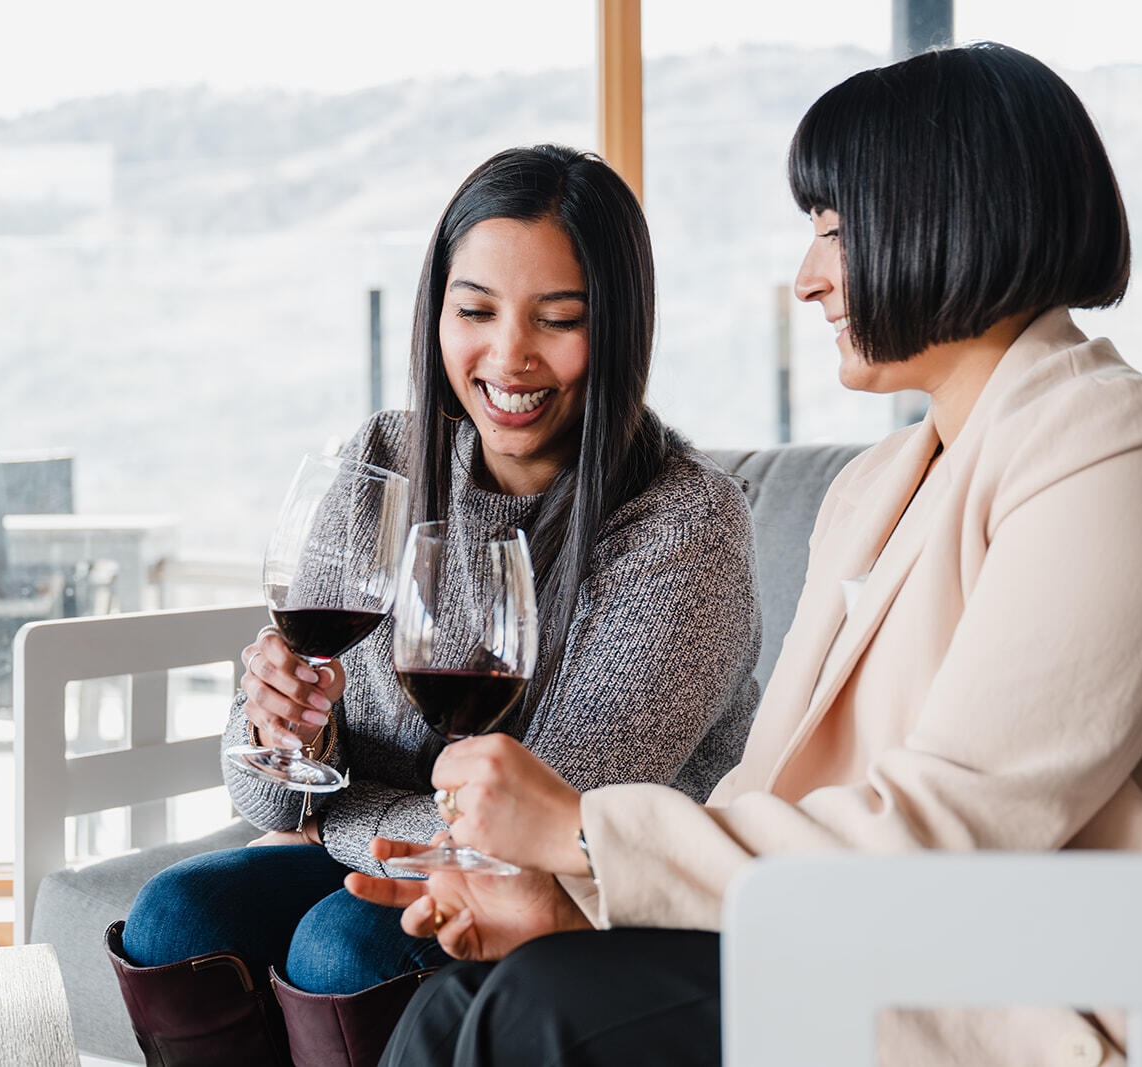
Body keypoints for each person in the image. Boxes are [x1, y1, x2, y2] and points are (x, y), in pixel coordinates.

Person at [349, 45, 1142, 1067]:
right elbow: (783, 788)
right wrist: (576, 896)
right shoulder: (879, 486)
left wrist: (585, 833)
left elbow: (954, 826)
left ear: (949, 216)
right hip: (942, 955)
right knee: (467, 995)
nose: (810, 279)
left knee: (550, 1008)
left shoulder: (1126, 451)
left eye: (832, 228)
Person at [105, 144, 763, 1065]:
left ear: (618, 329)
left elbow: (521, 845)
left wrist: (336, 812)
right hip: (401, 848)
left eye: (558, 318)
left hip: (573, 904)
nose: (508, 356)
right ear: (437, 312)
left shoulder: (685, 527)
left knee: (342, 942)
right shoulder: (385, 458)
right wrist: (286, 728)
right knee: (176, 913)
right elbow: (265, 795)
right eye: (475, 311)